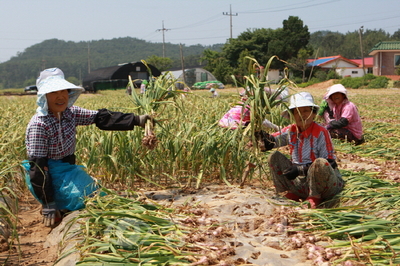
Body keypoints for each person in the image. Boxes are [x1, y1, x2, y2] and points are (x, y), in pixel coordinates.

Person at [24, 67, 153, 227]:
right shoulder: (39, 124)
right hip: (48, 172)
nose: (60, 97)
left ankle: (63, 208)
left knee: (94, 195)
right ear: (44, 96)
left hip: (67, 169)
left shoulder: (70, 113)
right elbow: (38, 167)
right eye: (53, 92)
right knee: (87, 198)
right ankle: (57, 206)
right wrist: (47, 201)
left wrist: (136, 120)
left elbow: (101, 118)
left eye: (63, 91)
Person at [256, 92, 344, 208]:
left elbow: (330, 162)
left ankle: (315, 196)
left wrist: (300, 169)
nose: (302, 115)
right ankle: (291, 192)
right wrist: (260, 135)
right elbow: (272, 142)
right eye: (297, 112)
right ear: (292, 115)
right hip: (301, 184)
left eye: (305, 111)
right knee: (274, 157)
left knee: (320, 163)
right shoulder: (291, 130)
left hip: (323, 186)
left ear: (313, 114)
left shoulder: (321, 132)